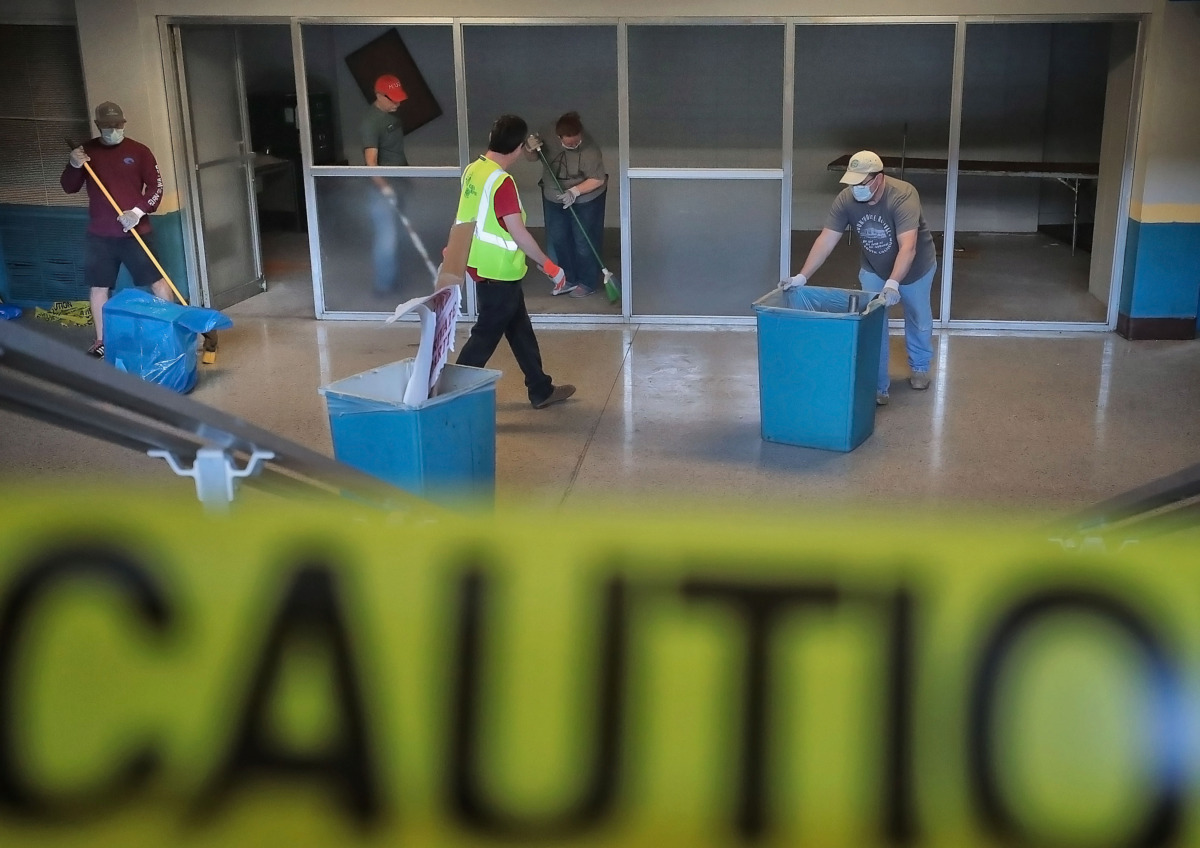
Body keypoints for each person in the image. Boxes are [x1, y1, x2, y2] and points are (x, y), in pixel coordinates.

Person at [784, 150, 937, 406]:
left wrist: (893, 283)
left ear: (879, 178)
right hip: (874, 267)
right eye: (852, 183)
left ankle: (920, 367)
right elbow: (826, 239)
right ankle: (877, 386)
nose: (856, 188)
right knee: (873, 323)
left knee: (918, 317)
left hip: (916, 268)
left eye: (861, 183)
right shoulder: (846, 199)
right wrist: (802, 276)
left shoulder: (903, 195)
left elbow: (908, 247)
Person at [455, 115, 575, 409]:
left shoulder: (474, 170)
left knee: (519, 330)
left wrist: (454, 250)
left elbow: (465, 216)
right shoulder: (501, 181)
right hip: (499, 271)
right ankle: (446, 396)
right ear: (520, 147)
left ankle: (540, 388)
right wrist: (549, 265)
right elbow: (517, 232)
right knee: (484, 337)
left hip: (482, 267)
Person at [61, 101, 171, 358]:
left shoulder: (140, 151)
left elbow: (156, 188)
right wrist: (74, 165)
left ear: (124, 123)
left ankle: (169, 329)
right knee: (99, 287)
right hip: (99, 235)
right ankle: (102, 340)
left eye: (117, 125)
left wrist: (137, 212)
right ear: (98, 125)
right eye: (106, 126)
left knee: (157, 282)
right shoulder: (85, 153)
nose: (112, 129)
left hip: (136, 233)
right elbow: (69, 187)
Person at [530, 111, 608, 298]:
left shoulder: (590, 150)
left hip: (585, 198)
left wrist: (574, 192)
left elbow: (597, 179)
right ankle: (568, 280)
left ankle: (587, 282)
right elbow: (533, 157)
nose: (573, 145)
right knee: (559, 239)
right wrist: (529, 148)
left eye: (576, 142)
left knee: (583, 241)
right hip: (554, 195)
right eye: (569, 142)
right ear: (559, 137)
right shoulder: (547, 133)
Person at [362, 74, 409, 295]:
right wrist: (385, 188)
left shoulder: (393, 117)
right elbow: (371, 164)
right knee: (386, 238)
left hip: (399, 184)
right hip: (383, 191)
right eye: (392, 99)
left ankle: (393, 281)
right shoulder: (371, 122)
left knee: (397, 235)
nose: (397, 103)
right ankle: (382, 287)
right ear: (379, 95)